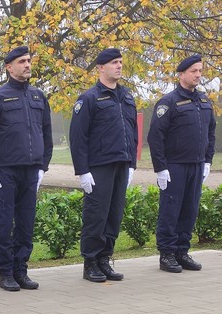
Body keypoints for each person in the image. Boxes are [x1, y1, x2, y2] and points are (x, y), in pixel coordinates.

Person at [0, 45, 53, 292]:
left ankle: (21, 269)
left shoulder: (38, 96)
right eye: (21, 61)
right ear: (9, 67)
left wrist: (43, 166)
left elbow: (46, 134)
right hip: (5, 171)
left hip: (31, 171)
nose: (27, 65)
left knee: (27, 223)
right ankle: (5, 272)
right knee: (5, 223)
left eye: (29, 60)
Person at [69, 47, 138, 283]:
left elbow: (133, 132)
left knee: (114, 214)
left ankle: (105, 258)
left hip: (121, 163)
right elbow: (78, 137)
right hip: (99, 166)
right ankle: (90, 262)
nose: (119, 66)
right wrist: (83, 171)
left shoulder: (127, 96)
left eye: (120, 62)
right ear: (100, 68)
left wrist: (132, 164)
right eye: (113, 63)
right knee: (96, 215)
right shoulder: (89, 98)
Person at [148, 54, 216, 274]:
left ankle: (182, 251)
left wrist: (207, 160)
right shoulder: (169, 102)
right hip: (174, 166)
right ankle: (166, 254)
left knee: (190, 209)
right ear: (181, 74)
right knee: (170, 210)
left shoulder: (204, 101)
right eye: (193, 71)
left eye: (200, 71)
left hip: (196, 165)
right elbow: (155, 137)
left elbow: (211, 131)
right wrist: (160, 168)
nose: (198, 75)